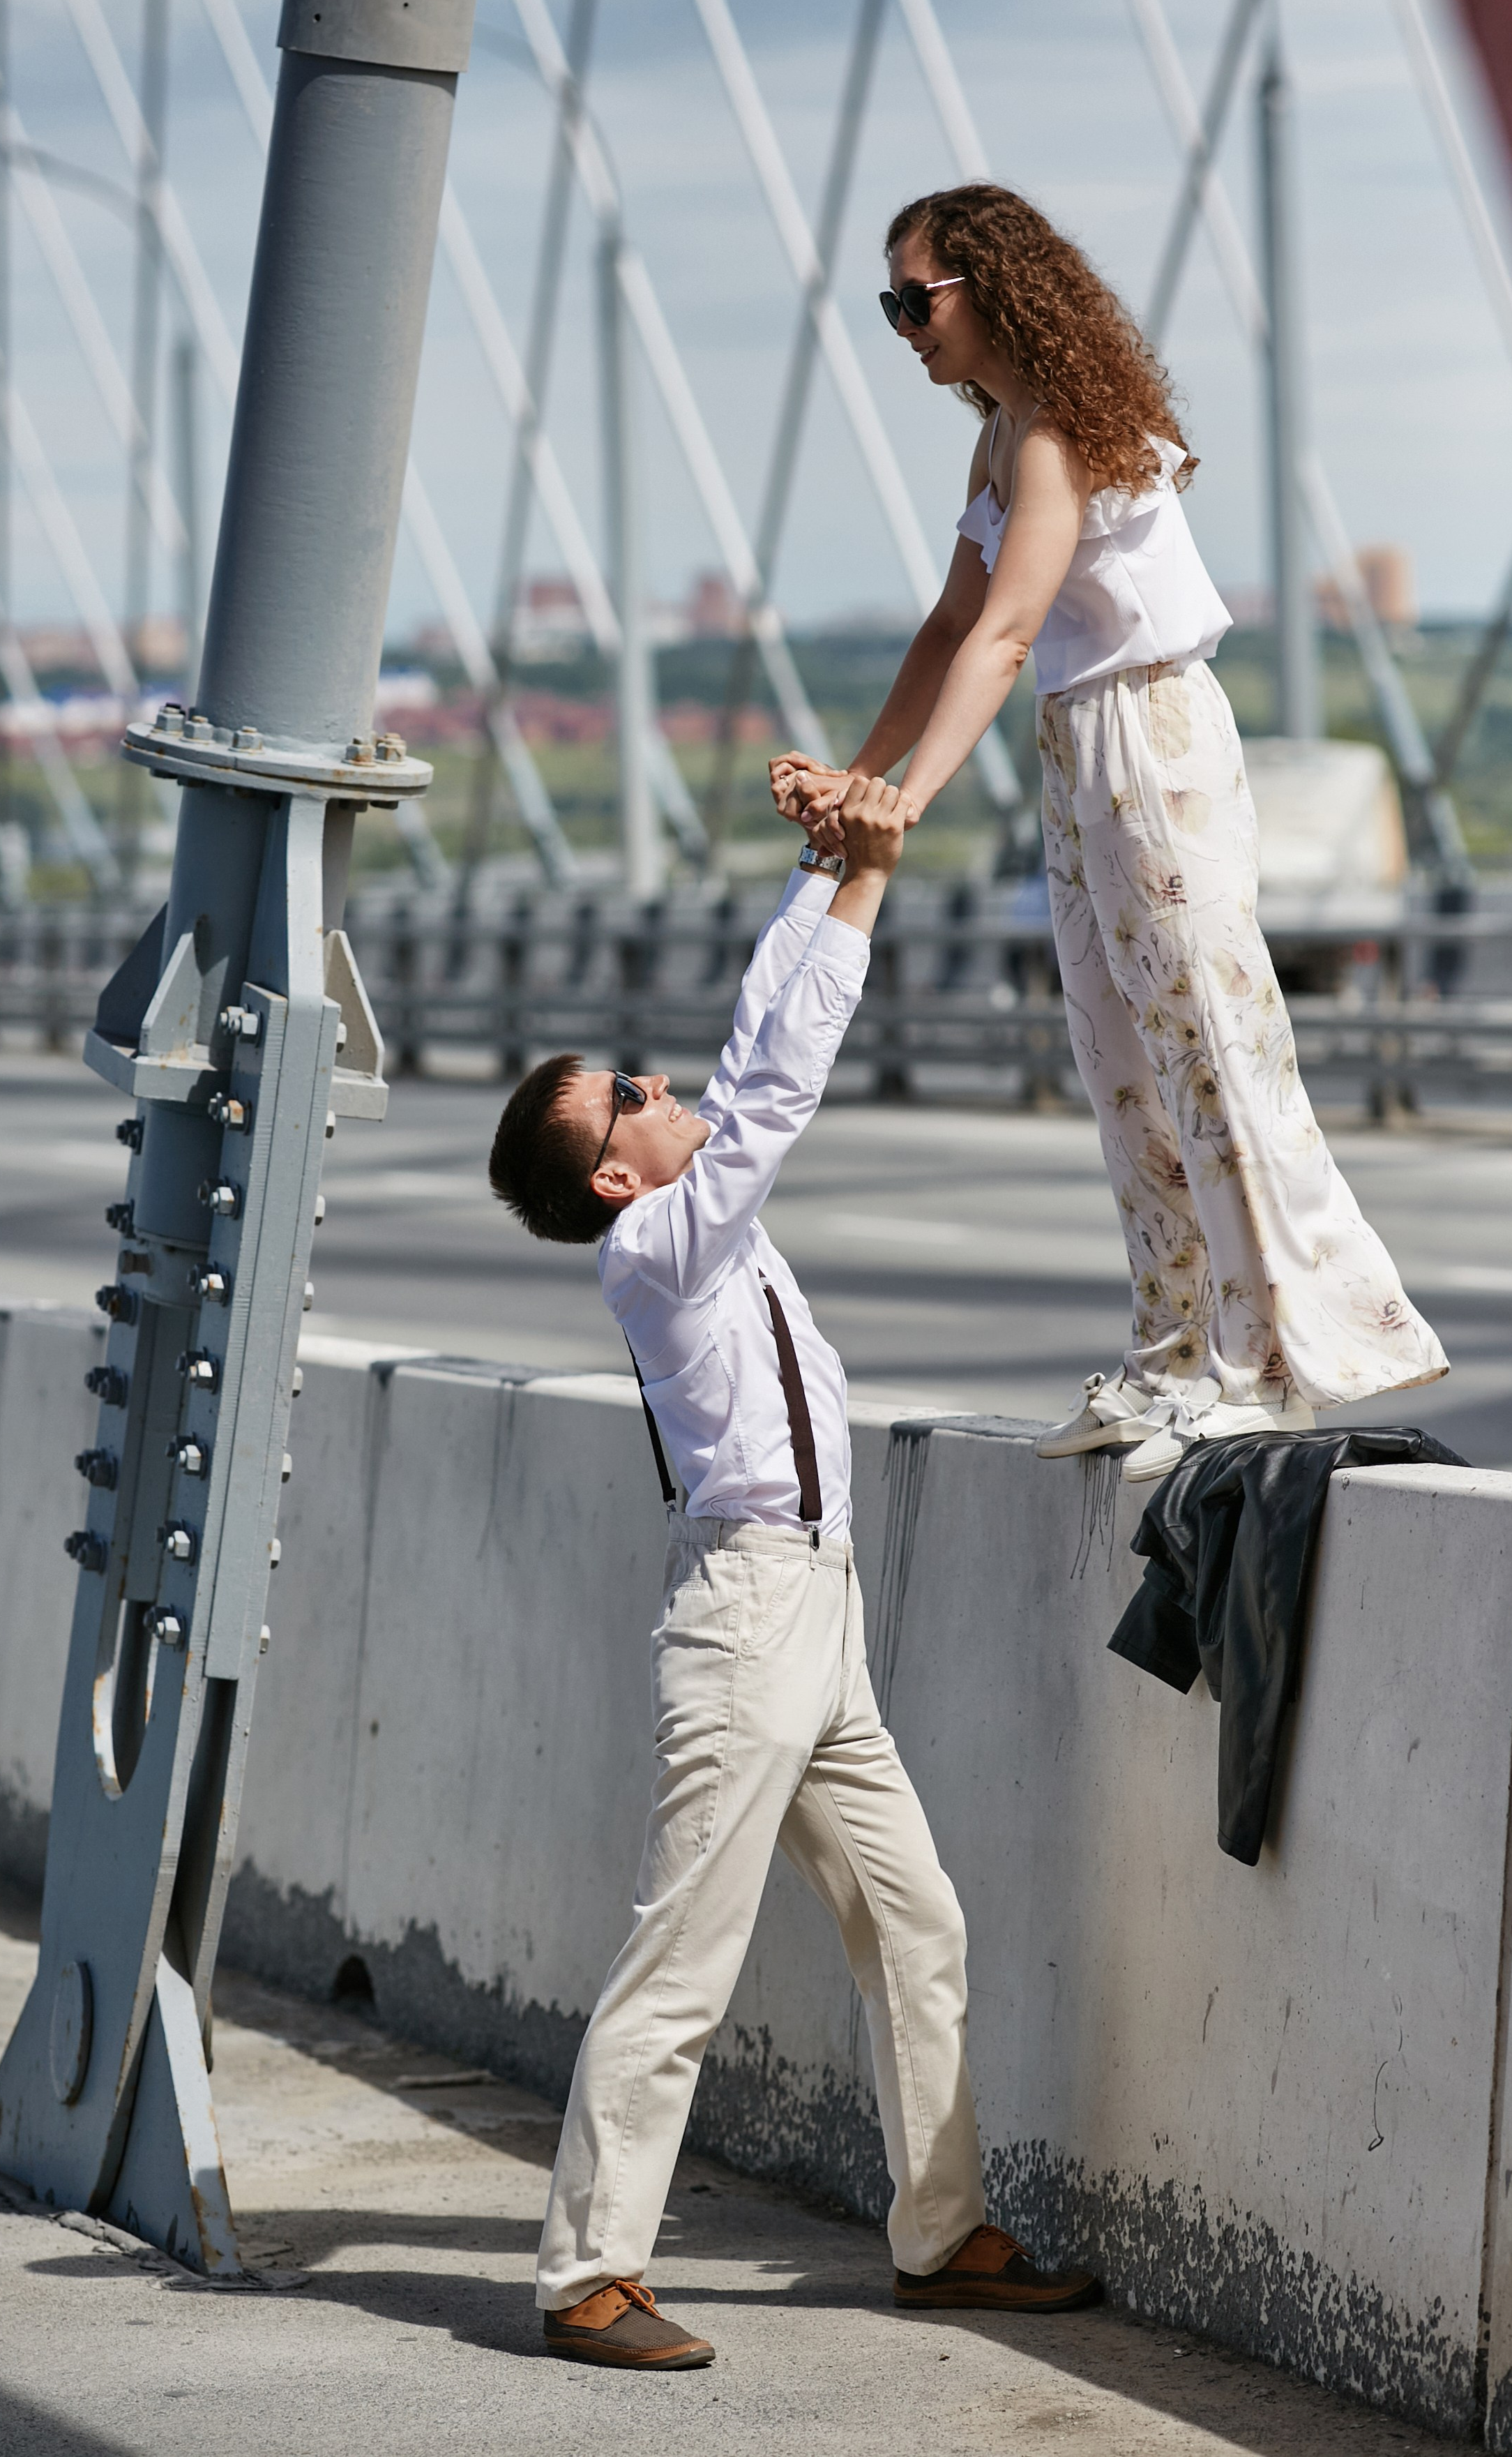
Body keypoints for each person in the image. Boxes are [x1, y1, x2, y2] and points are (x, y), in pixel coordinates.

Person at [487, 776, 1097, 2371]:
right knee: (681, 1951)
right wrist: (870, 888)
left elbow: (750, 1043)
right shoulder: (657, 1247)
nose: (659, 1079)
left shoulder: (691, 1220)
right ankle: (585, 2273)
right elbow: (770, 1085)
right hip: (749, 1615)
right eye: (630, 1089)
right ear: (615, 1174)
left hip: (819, 1615)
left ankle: (941, 2229)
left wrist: (819, 872)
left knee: (917, 1919)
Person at [773, 183, 1444, 1484]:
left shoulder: (1059, 436)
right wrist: (856, 775)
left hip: (1152, 739)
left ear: (990, 287)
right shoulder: (997, 438)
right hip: (1076, 749)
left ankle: (1271, 1365)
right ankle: (1174, 1353)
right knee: (1119, 1061)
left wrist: (909, 803)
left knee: (1212, 1044)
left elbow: (1012, 632)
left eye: (916, 299)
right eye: (889, 305)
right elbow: (947, 629)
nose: (902, 325)